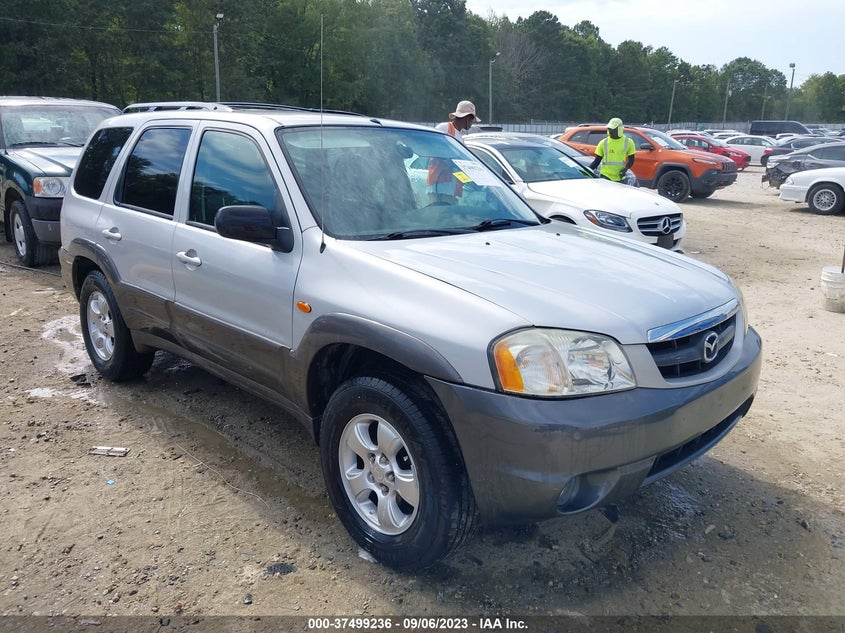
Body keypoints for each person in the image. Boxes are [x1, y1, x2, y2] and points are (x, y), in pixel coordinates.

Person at [427, 101, 479, 201]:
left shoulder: (460, 137)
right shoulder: (444, 128)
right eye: (472, 120)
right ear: (467, 118)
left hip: (451, 186)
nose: (472, 123)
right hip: (438, 184)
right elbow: (433, 149)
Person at [589, 117, 636, 183]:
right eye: (609, 129)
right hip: (605, 176)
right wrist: (586, 170)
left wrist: (625, 169)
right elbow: (596, 161)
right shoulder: (603, 142)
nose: (610, 131)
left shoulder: (628, 142)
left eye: (613, 129)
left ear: (619, 129)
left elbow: (631, 160)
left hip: (620, 178)